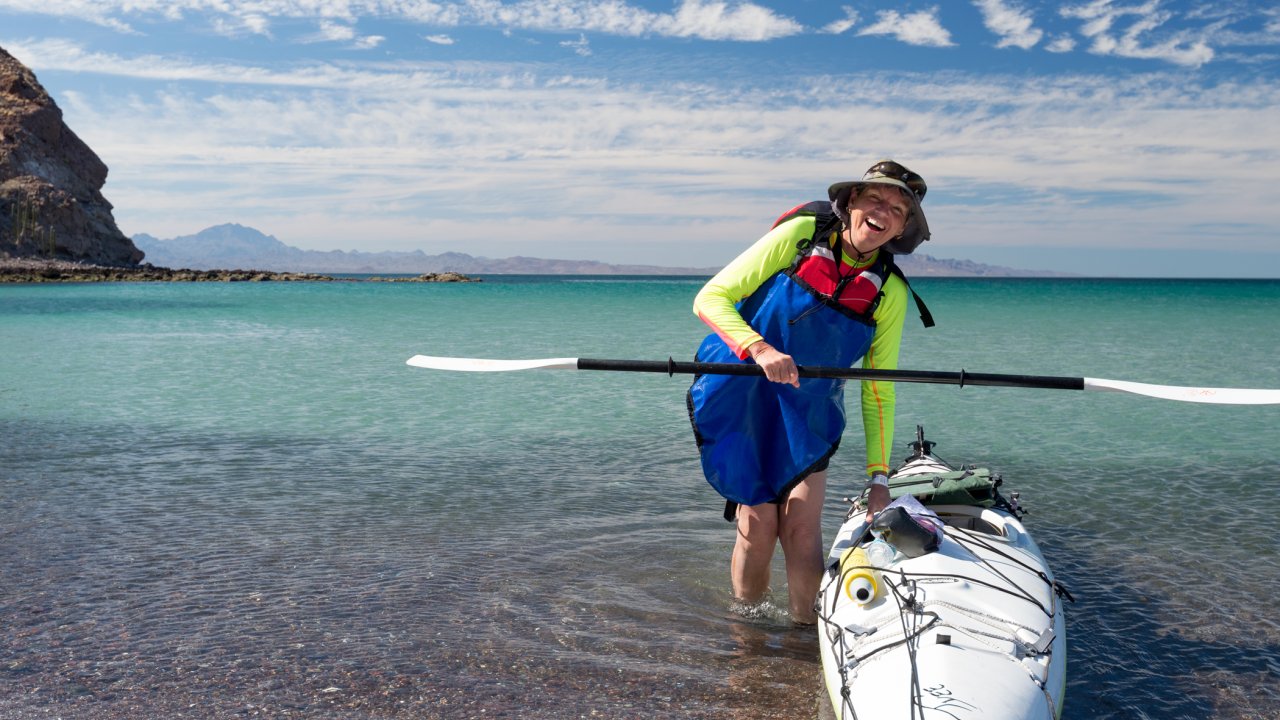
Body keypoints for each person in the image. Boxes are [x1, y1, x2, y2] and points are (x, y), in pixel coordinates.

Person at [687, 160, 933, 625]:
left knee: (802, 530)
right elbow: (711, 297)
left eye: (898, 210)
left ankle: (806, 638)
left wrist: (879, 479)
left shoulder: (890, 294)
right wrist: (760, 349)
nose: (883, 212)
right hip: (742, 391)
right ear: (850, 203)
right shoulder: (800, 237)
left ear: (902, 228)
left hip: (809, 410)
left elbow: (878, 389)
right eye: (875, 199)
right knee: (757, 528)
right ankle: (749, 638)